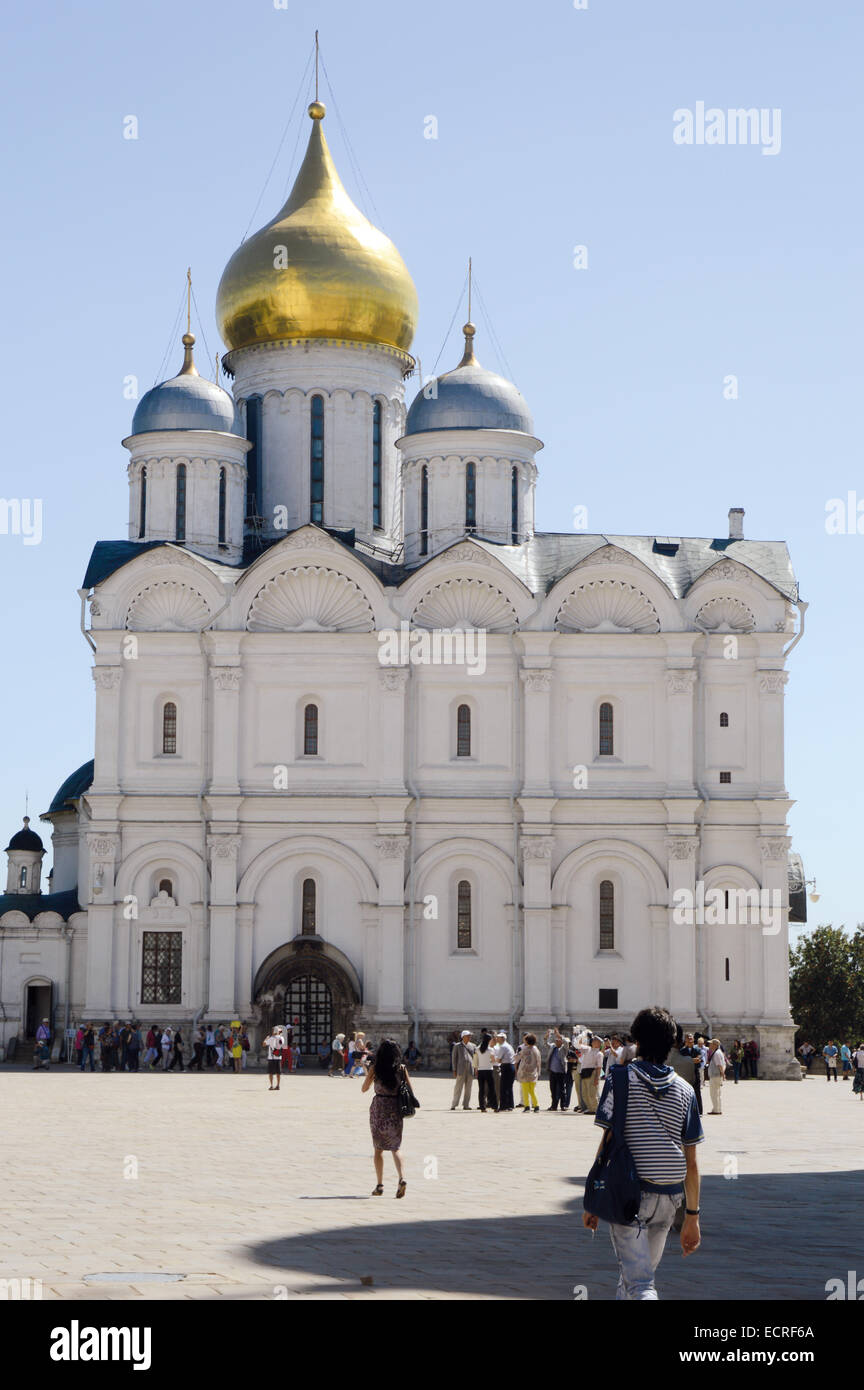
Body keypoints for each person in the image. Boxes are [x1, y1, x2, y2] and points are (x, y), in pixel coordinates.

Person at [583, 1005, 703, 1300]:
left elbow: (607, 1143)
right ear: (673, 1043)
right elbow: (692, 1162)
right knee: (635, 1277)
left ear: (636, 1040)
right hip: (670, 1196)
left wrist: (594, 1197)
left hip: (630, 1194)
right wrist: (692, 1216)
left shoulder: (619, 1079)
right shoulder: (686, 1090)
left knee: (640, 1284)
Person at [362, 1038, 412, 1198]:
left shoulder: (375, 1068)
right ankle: (402, 1178)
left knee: (378, 1149)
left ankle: (379, 1185)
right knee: (395, 1147)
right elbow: (410, 1090)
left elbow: (364, 1089)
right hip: (395, 1109)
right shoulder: (401, 1069)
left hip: (379, 1109)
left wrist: (367, 1071)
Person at [575, 1035, 604, 1115]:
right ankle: (590, 1108)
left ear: (599, 1044)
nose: (594, 1042)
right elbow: (578, 1045)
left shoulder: (599, 1054)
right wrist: (581, 1036)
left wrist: (597, 1079)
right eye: (593, 1040)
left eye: (596, 1041)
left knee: (592, 1092)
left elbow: (599, 1067)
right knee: (584, 1092)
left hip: (593, 1072)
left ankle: (595, 1108)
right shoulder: (588, 1049)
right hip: (584, 1071)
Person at [451, 1030, 477, 1110]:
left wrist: (476, 1069)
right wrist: (454, 1070)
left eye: (470, 1036)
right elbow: (454, 1059)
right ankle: (454, 1104)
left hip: (470, 1068)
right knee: (458, 1087)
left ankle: (466, 1105)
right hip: (461, 1069)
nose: (469, 1037)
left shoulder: (473, 1046)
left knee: (468, 1088)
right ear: (463, 1037)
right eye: (468, 1036)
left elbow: (475, 1058)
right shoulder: (457, 1046)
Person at [545, 1027, 570, 1111]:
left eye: (558, 1040)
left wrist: (559, 1035)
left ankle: (563, 1105)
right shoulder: (553, 1047)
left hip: (561, 1071)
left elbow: (566, 1043)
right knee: (553, 1089)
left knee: (562, 1089)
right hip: (552, 1071)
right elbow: (546, 1044)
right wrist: (547, 1036)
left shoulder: (563, 1048)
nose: (556, 1041)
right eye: (556, 1040)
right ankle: (554, 1105)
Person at [516, 1033, 542, 1112]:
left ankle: (527, 1106)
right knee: (532, 1090)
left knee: (525, 1090)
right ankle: (536, 1105)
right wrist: (538, 1072)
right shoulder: (536, 1050)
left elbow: (517, 1058)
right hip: (533, 1073)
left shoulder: (524, 1049)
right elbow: (539, 1062)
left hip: (524, 1073)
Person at [679, 1033, 703, 1114]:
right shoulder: (682, 1051)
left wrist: (688, 1060)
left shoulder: (697, 1050)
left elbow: (699, 1059)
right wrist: (692, 1060)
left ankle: (699, 1111)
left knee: (697, 1092)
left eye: (691, 1039)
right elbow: (682, 1061)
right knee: (685, 1092)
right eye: (688, 1039)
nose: (690, 1041)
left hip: (695, 1073)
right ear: (685, 1041)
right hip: (685, 1074)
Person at [475, 1030, 497, 1111]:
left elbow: (475, 1061)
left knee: (481, 1089)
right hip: (489, 1070)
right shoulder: (491, 1050)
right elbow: (493, 1061)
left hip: (480, 1070)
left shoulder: (477, 1049)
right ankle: (494, 1106)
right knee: (492, 1089)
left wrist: (476, 1069)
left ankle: (482, 1107)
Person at [494, 1032, 516, 1111]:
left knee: (503, 1087)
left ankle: (503, 1106)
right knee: (509, 1087)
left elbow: (499, 1059)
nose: (497, 1039)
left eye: (498, 1038)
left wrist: (493, 1058)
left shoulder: (503, 1047)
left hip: (506, 1067)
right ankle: (510, 1105)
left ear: (503, 1038)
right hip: (511, 1066)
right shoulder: (509, 1045)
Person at [706, 1039, 726, 1114]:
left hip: (715, 1075)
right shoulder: (718, 1052)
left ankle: (716, 1110)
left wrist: (722, 1074)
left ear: (715, 1045)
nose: (709, 1045)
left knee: (714, 1093)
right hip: (717, 1075)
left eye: (711, 1044)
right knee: (717, 1093)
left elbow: (719, 1065)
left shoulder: (716, 1053)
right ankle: (718, 1108)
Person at [263, 1024, 286, 1090]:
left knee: (271, 1073)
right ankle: (278, 1085)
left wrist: (266, 1038)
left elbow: (264, 1044)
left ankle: (271, 1085)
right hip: (278, 1057)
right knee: (278, 1072)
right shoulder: (281, 1038)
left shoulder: (271, 1038)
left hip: (271, 1057)